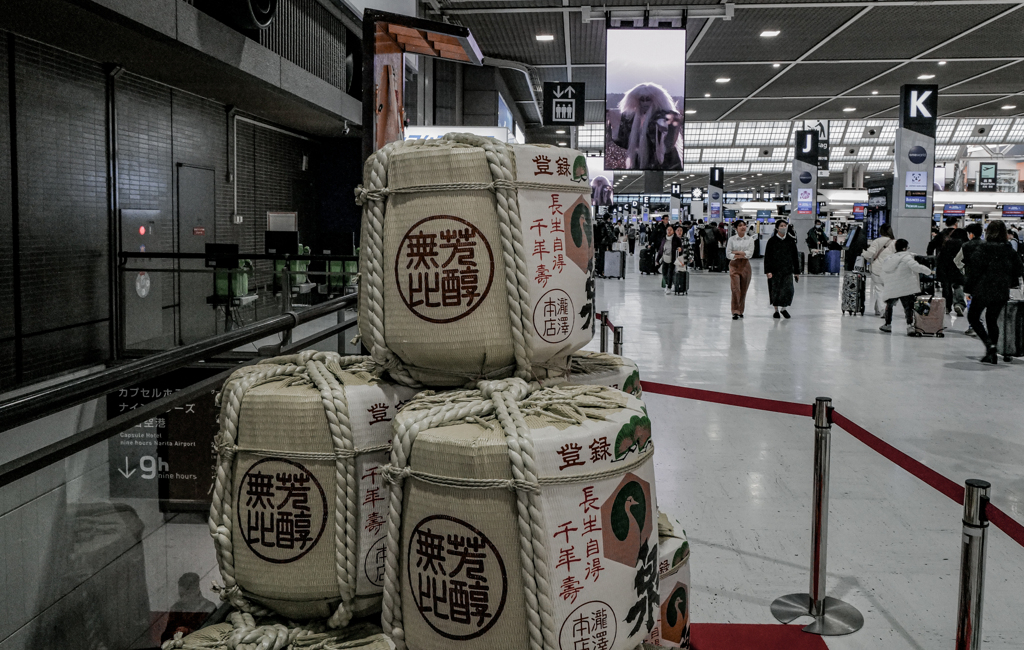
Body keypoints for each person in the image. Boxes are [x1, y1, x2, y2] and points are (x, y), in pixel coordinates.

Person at [961, 220, 1024, 363]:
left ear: (988, 232)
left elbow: (974, 271)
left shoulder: (983, 249)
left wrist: (968, 289)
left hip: (983, 289)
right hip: (1001, 290)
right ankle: (992, 352)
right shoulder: (1010, 250)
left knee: (973, 317)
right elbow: (1019, 270)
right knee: (992, 319)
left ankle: (990, 346)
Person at [612, 82, 683, 170]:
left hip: (664, 162)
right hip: (641, 161)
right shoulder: (631, 118)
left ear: (655, 100)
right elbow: (624, 142)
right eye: (642, 99)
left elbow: (668, 145)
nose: (645, 102)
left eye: (648, 99)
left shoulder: (669, 116)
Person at [878, 239, 933, 334]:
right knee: (908, 307)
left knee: (889, 306)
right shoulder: (907, 258)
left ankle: (887, 325)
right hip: (905, 287)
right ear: (905, 248)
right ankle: (909, 326)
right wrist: (929, 271)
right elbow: (917, 267)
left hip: (892, 286)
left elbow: (882, 272)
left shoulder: (889, 259)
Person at [763, 220, 800, 319]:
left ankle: (784, 308)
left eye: (785, 225)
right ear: (777, 228)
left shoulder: (790, 241)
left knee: (788, 290)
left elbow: (795, 257)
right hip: (775, 271)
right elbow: (767, 257)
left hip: (787, 270)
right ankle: (776, 311)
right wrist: (768, 271)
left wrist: (797, 271)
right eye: (781, 225)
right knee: (775, 290)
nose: (784, 227)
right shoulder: (772, 241)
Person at [861, 223, 896, 316]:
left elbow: (870, 253)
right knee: (885, 289)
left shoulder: (877, 241)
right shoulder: (895, 242)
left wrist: (863, 254)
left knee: (879, 289)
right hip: (891, 269)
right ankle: (878, 309)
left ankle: (883, 310)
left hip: (877, 269)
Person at [936, 218, 967, 316]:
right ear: (956, 224)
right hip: (958, 263)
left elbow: (931, 245)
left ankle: (947, 307)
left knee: (946, 285)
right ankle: (959, 304)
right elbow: (967, 246)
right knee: (958, 284)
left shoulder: (941, 234)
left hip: (944, 264)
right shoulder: (962, 233)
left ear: (945, 223)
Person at [726, 220, 755, 319]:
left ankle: (740, 310)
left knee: (743, 289)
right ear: (736, 228)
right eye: (740, 226)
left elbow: (750, 254)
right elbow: (728, 254)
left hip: (746, 266)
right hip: (734, 265)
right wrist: (741, 254)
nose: (743, 227)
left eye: (744, 225)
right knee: (735, 289)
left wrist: (737, 252)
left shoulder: (750, 240)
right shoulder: (731, 239)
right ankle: (735, 311)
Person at [658, 222, 683, 294]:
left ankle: (669, 287)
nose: (669, 231)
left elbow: (681, 248)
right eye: (668, 230)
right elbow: (661, 249)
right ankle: (667, 284)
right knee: (664, 273)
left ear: (673, 231)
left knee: (670, 273)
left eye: (670, 230)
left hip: (672, 259)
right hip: (665, 258)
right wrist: (657, 259)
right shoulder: (664, 239)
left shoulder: (677, 239)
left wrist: (680, 249)